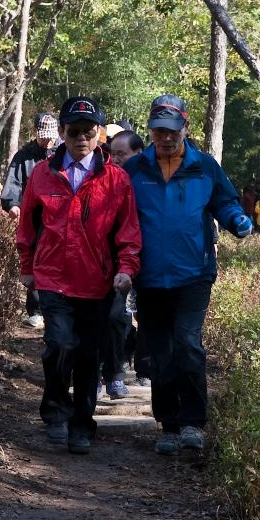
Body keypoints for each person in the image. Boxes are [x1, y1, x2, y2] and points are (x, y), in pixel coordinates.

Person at [124, 94, 252, 456]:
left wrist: (235, 220)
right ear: (150, 130)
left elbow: (225, 201)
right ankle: (169, 424)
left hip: (194, 273)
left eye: (172, 130)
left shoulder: (204, 167)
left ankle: (194, 423)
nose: (165, 137)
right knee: (160, 352)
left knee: (188, 344)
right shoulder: (134, 170)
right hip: (149, 276)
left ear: (185, 128)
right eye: (158, 130)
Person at [17, 96, 142, 455]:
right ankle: (56, 410)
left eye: (88, 131)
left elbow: (128, 232)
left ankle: (82, 424)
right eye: (73, 131)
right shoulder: (43, 173)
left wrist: (126, 269)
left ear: (99, 134)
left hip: (97, 282)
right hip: (53, 277)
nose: (81, 138)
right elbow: (27, 223)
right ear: (62, 132)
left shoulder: (115, 179)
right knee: (59, 344)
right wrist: (27, 267)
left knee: (89, 354)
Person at [99, 129, 146, 398]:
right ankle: (109, 373)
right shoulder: (105, 178)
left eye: (122, 154)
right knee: (113, 316)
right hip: (113, 261)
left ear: (138, 154)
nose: (115, 159)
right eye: (112, 153)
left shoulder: (150, 180)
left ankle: (133, 370)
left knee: (135, 319)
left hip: (144, 258)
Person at [1, 113, 57, 329]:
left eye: (51, 137)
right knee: (34, 260)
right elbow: (13, 182)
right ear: (36, 133)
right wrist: (12, 204)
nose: (48, 141)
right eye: (44, 137)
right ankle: (36, 310)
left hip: (56, 215)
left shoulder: (63, 153)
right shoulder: (24, 155)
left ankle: (55, 306)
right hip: (33, 216)